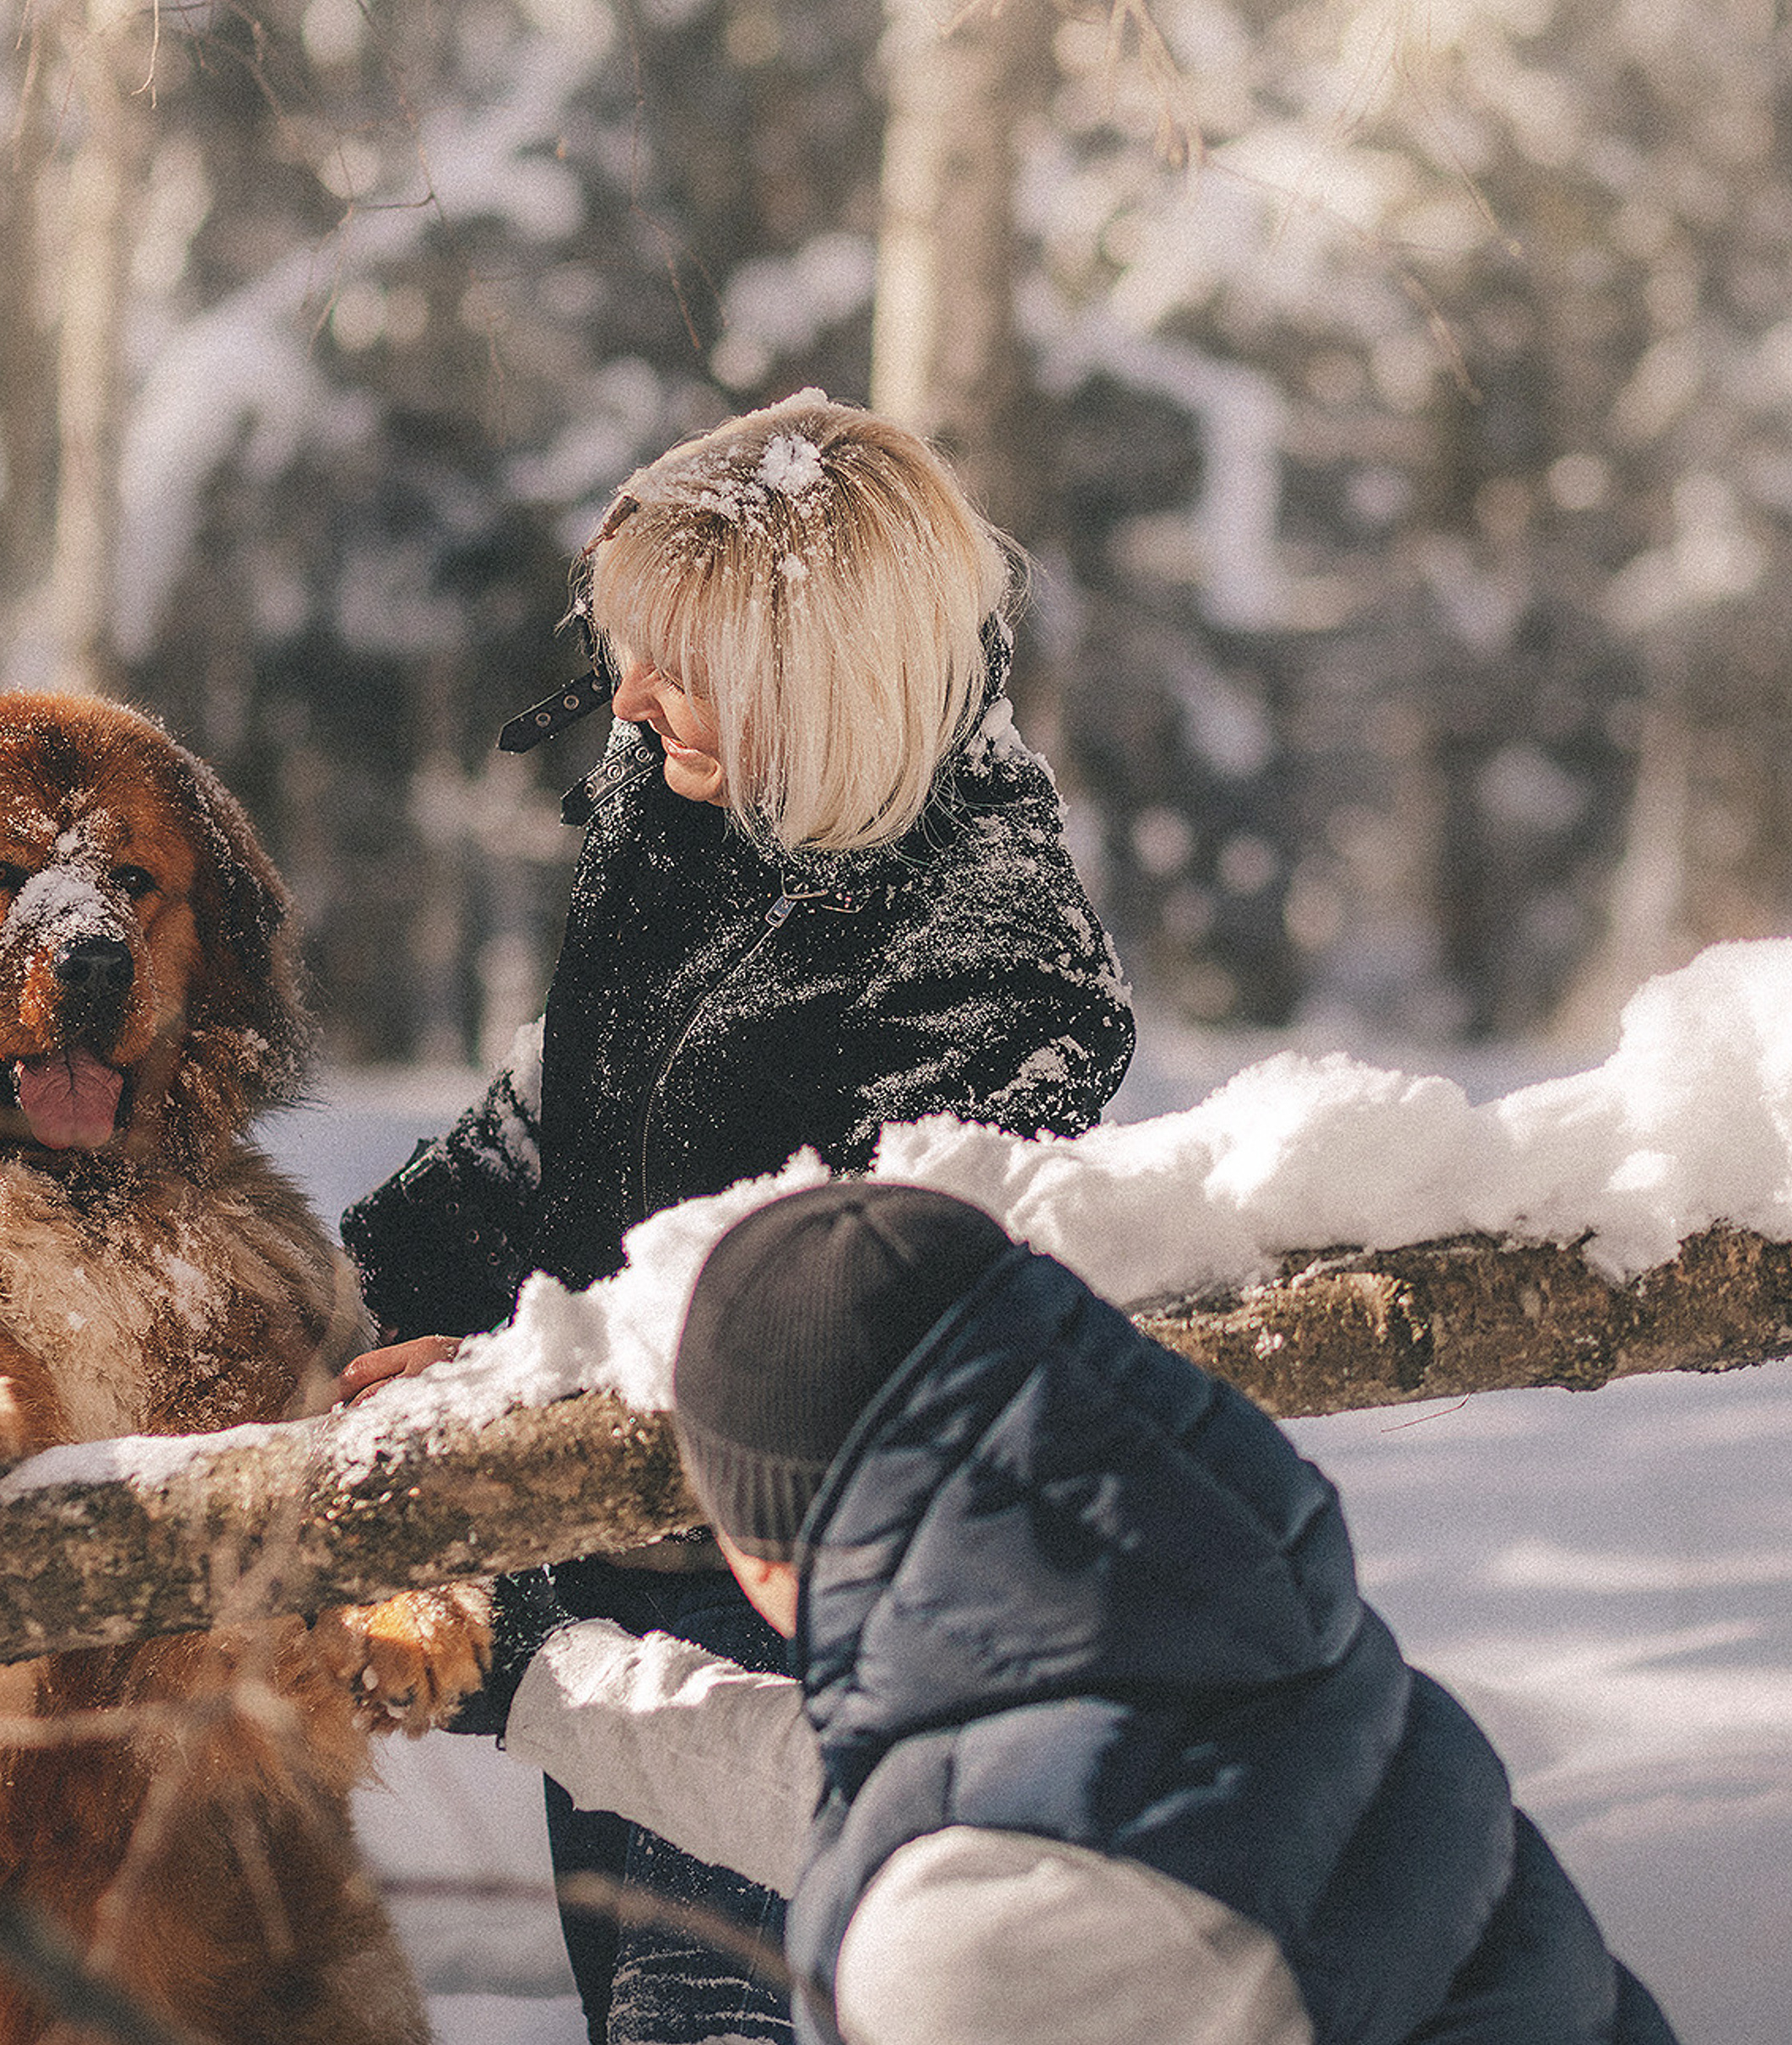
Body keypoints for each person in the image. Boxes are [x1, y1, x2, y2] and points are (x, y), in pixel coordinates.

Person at [338, 391, 1135, 2044]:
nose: (625, 700)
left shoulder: (981, 928)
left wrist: (499, 1388)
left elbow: (840, 1282)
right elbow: (546, 1125)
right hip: (605, 1557)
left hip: (807, 1603)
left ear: (818, 663)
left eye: (678, 658)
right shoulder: (679, 815)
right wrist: (324, 1301)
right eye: (624, 650)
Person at [461, 1181, 1683, 2045]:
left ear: (778, 1539)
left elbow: (963, 1880)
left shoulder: (990, 1947)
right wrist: (536, 1678)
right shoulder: (1234, 1634)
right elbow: (903, 1797)